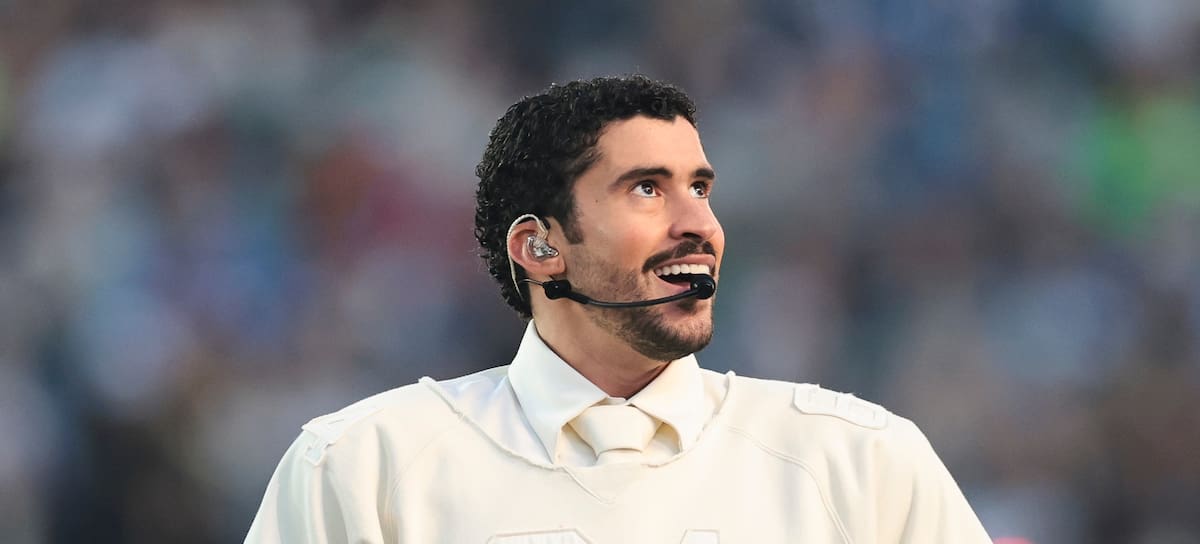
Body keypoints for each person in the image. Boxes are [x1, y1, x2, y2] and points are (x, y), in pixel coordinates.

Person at [245, 75, 992, 543]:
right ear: (540, 247)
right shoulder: (365, 467)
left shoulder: (859, 461)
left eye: (700, 188)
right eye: (647, 189)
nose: (699, 223)